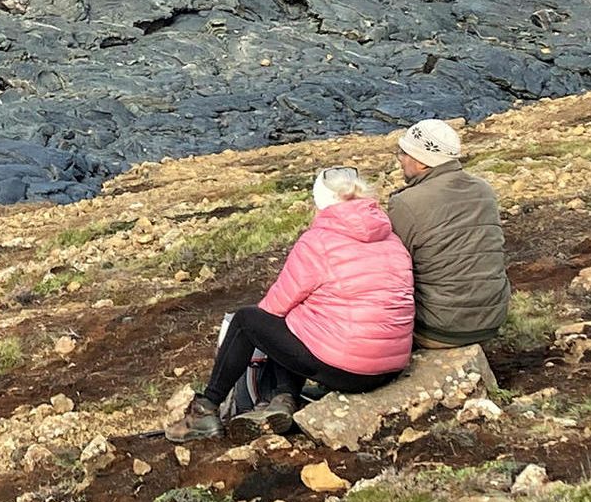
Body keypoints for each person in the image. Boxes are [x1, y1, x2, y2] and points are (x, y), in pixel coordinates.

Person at [166, 167, 415, 442]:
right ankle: (283, 399)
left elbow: (273, 308)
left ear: (320, 205)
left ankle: (206, 409)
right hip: (391, 365)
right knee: (300, 318)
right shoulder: (391, 238)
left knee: (248, 321)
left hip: (349, 370)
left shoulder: (317, 242)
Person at [388, 118, 511, 348]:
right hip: (491, 320)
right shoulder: (484, 190)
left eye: (404, 154)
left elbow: (393, 270)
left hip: (439, 329)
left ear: (423, 163)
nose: (400, 161)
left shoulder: (407, 202)